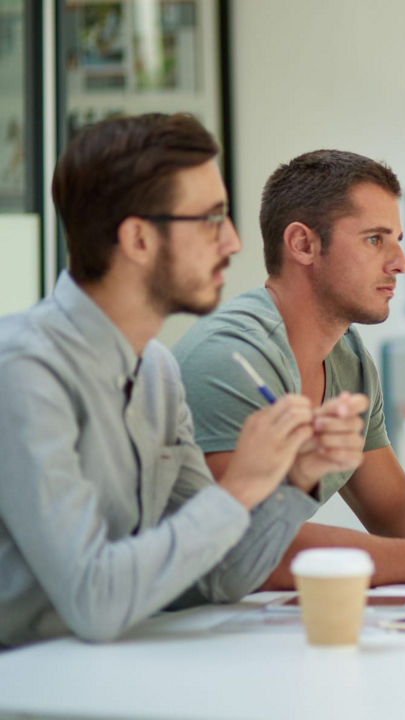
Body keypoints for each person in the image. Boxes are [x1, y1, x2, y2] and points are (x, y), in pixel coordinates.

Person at [0, 114, 368, 648]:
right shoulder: (23, 371)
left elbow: (222, 575)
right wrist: (239, 485)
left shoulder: (156, 372)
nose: (235, 241)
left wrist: (292, 481)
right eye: (211, 219)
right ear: (139, 238)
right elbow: (95, 600)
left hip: (105, 679)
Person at [173, 150, 405, 589]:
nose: (400, 263)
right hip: (174, 631)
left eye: (398, 240)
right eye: (375, 239)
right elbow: (252, 550)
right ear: (303, 245)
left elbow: (395, 508)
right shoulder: (230, 359)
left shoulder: (347, 356)